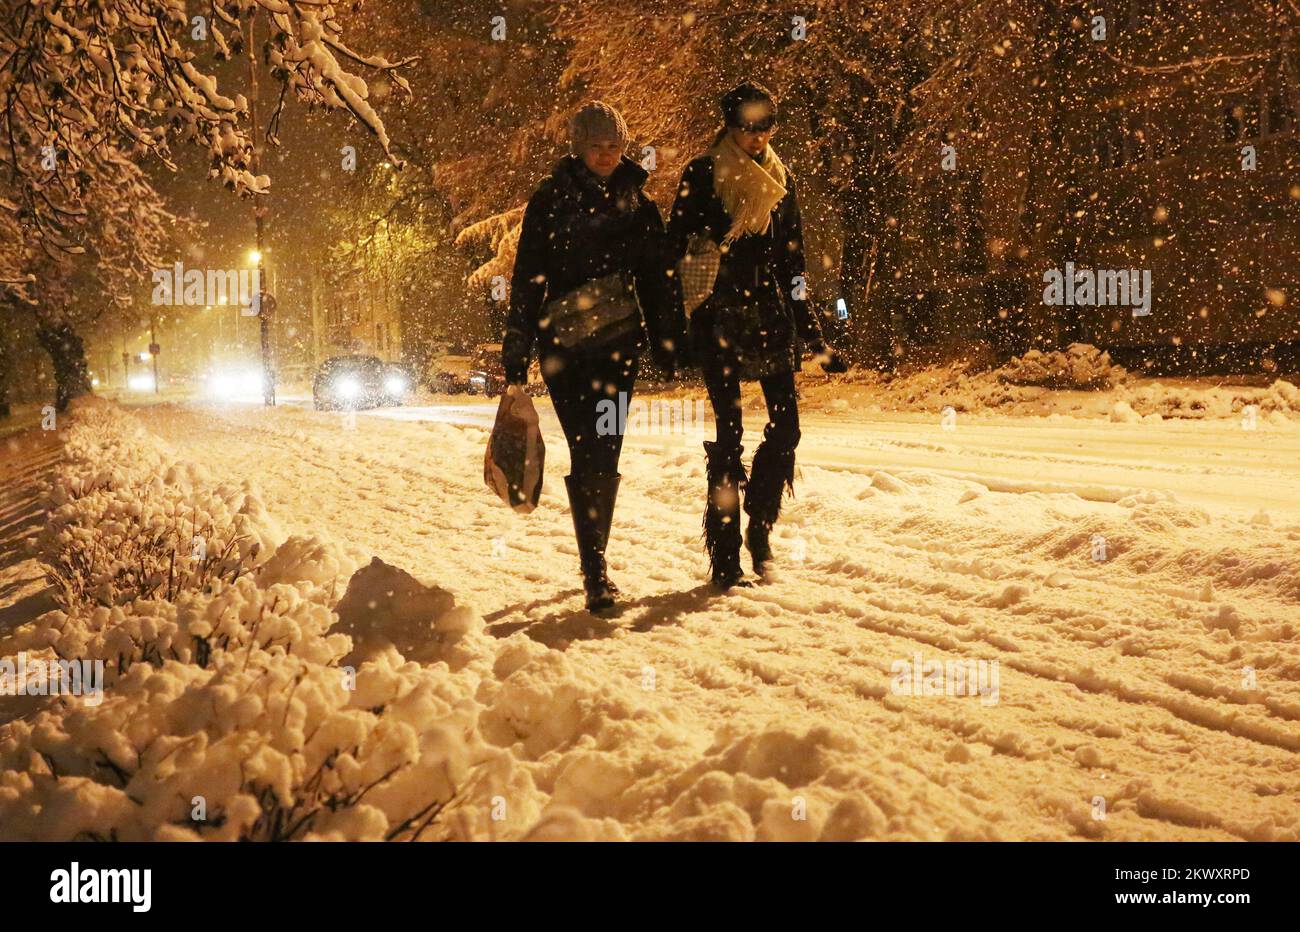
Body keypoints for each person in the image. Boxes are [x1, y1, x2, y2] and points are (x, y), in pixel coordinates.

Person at [502, 101, 684, 611]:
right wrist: (516, 348)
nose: (605, 156)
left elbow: (657, 276)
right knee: (587, 449)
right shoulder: (551, 200)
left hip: (616, 350)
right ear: (577, 148)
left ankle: (595, 558)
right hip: (565, 350)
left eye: (613, 147)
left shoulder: (637, 203)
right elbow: (528, 278)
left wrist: (670, 339)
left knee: (606, 449)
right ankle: (595, 569)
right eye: (595, 147)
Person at [668, 81, 847, 589]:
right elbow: (673, 248)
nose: (759, 137)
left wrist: (814, 337)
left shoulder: (780, 177)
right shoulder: (703, 174)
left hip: (769, 316)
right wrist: (674, 331)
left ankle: (760, 528)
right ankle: (724, 553)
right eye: (749, 128)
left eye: (766, 127)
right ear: (730, 126)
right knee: (728, 436)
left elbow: (793, 262)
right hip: (719, 315)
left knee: (787, 429)